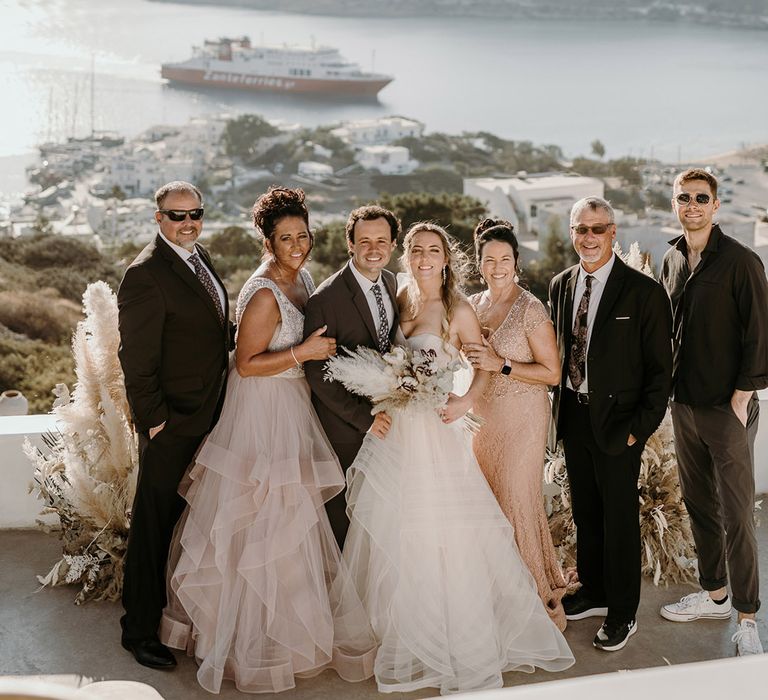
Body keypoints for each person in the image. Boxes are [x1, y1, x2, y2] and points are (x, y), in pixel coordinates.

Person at [159, 187, 377, 692]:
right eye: (286, 238)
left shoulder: (300, 277)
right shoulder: (263, 292)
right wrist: (302, 353)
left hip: (293, 407)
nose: (297, 244)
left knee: (292, 520)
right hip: (262, 414)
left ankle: (290, 629)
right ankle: (249, 640)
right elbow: (246, 364)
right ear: (268, 239)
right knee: (261, 518)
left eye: (303, 235)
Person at [342, 222, 574, 695]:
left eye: (434, 250)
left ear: (446, 259)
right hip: (397, 436)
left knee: (442, 534)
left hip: (437, 432)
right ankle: (399, 626)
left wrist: (466, 401)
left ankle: (461, 627)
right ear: (406, 256)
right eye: (417, 250)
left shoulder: (458, 307)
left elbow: (483, 363)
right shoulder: (397, 298)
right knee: (396, 528)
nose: (425, 258)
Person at [117, 180, 234, 669]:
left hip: (211, 412)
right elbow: (135, 360)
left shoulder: (198, 256)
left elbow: (209, 329)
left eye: (195, 214)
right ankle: (138, 631)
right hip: (173, 422)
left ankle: (179, 618)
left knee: (188, 521)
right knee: (154, 524)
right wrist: (155, 422)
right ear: (157, 217)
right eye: (177, 216)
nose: (188, 224)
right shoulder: (144, 275)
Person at [549, 196, 672, 652]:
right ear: (572, 233)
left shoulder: (642, 291)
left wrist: (637, 430)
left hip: (620, 425)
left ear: (613, 232)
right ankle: (595, 592)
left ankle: (622, 612)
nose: (589, 238)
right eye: (581, 229)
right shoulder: (561, 285)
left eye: (598, 229)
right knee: (586, 512)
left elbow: (661, 373)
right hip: (575, 417)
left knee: (619, 519)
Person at [658, 168, 768, 656]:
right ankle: (716, 595)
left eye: (701, 198)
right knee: (700, 505)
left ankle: (747, 617)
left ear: (716, 205)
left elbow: (760, 331)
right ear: (675, 204)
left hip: (728, 409)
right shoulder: (672, 258)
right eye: (683, 198)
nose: (692, 205)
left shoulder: (742, 262)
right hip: (684, 406)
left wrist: (744, 394)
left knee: (738, 515)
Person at [464, 223, 568, 631]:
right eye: (489, 259)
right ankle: (498, 595)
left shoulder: (531, 309)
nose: (497, 266)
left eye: (505, 259)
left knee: (516, 502)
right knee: (488, 505)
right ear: (480, 264)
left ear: (516, 263)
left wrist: (500, 363)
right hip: (483, 420)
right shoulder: (472, 304)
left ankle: (539, 602)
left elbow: (552, 373)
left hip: (522, 419)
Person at [303, 205, 401, 547]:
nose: (373, 249)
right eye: (364, 241)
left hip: (390, 424)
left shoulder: (391, 282)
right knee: (345, 521)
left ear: (392, 245)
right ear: (350, 244)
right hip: (346, 430)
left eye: (381, 241)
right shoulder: (326, 299)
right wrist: (365, 419)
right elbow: (318, 374)